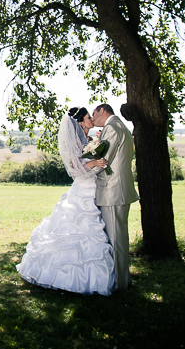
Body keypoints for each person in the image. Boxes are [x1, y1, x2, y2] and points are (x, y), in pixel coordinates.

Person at [15, 107, 115, 295]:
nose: (91, 119)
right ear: (80, 123)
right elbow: (75, 168)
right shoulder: (75, 142)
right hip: (82, 190)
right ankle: (66, 277)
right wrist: (93, 162)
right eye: (87, 117)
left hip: (94, 187)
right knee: (77, 228)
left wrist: (97, 151)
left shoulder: (90, 141)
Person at [90, 103, 139, 291]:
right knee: (117, 237)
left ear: (103, 110)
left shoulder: (113, 128)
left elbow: (104, 160)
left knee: (116, 238)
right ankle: (121, 278)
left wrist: (83, 173)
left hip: (112, 191)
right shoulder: (118, 127)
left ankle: (120, 283)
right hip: (118, 190)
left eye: (94, 113)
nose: (93, 118)